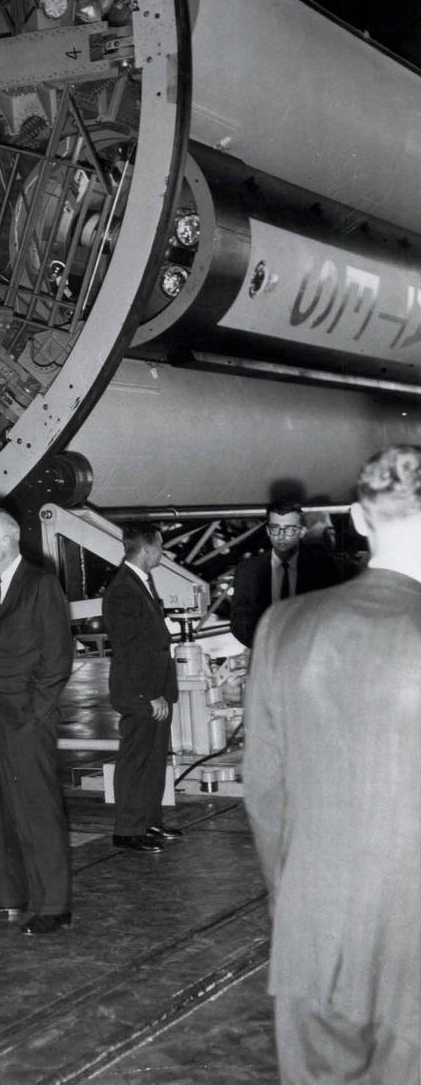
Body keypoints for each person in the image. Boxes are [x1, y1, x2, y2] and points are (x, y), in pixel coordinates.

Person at [244, 445, 421, 1085]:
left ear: (356, 518)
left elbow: (264, 793)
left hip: (312, 925)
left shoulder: (284, 626)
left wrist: (291, 899)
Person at [0, 509, 74, 935]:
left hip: (26, 717)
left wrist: (35, 710)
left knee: (38, 809)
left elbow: (58, 655)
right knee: (1, 805)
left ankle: (54, 904)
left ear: (7, 540)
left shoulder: (41, 584)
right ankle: (10, 893)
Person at [101, 521, 179, 854]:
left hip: (154, 688)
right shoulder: (123, 590)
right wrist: (150, 695)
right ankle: (127, 830)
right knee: (136, 758)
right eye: (160, 546)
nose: (164, 552)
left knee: (153, 757)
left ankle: (148, 822)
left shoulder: (139, 583)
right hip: (141, 692)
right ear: (146, 549)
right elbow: (130, 648)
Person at [230, 499, 341, 647]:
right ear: (268, 531)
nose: (281, 536)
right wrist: (264, 644)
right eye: (276, 529)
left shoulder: (324, 566)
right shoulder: (249, 569)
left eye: (289, 529)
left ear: (301, 532)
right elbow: (239, 620)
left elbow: (335, 613)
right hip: (266, 652)